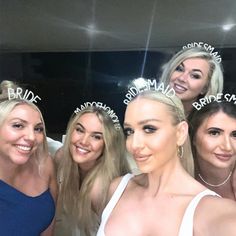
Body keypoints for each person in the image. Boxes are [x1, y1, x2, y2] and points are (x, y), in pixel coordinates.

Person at [97, 89, 236, 236]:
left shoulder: (213, 212)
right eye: (130, 131)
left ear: (180, 133)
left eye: (149, 129)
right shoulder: (118, 189)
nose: (134, 144)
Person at [54, 104, 130, 236]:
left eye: (96, 137)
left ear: (107, 144)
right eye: (79, 130)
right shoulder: (62, 157)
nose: (83, 141)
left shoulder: (100, 188)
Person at [0, 99, 57, 235]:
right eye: (18, 125)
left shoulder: (44, 164)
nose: (31, 137)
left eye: (38, 129)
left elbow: (49, 224)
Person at [189, 99, 236, 200]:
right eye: (214, 133)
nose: (227, 146)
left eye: (235, 135)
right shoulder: (178, 182)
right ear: (193, 137)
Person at [160, 46, 224, 116]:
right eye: (179, 69)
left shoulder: (206, 123)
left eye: (195, 76)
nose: (182, 78)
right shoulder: (149, 107)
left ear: (205, 88)